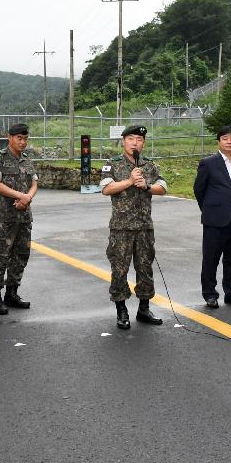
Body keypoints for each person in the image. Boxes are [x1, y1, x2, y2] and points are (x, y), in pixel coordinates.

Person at [100, 125, 168, 329]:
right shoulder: (112, 164)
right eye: (131, 139)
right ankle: (121, 310)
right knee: (119, 269)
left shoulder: (149, 165)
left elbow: (163, 188)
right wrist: (129, 181)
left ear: (143, 143)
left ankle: (144, 309)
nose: (135, 143)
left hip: (145, 227)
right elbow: (106, 188)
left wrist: (147, 186)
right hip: (121, 228)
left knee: (145, 268)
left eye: (139, 139)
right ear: (123, 142)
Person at [194, 125, 231, 308]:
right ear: (218, 141)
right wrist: (210, 209)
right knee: (211, 258)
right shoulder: (208, 163)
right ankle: (210, 294)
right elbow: (199, 189)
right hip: (215, 220)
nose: (229, 141)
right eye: (225, 138)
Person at [0, 123, 38, 314]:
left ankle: (12, 292)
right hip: (4, 218)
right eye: (19, 138)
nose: (23, 142)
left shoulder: (27, 160)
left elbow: (34, 183)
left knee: (21, 256)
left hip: (24, 217)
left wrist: (27, 198)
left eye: (25, 139)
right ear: (10, 138)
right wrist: (20, 196)